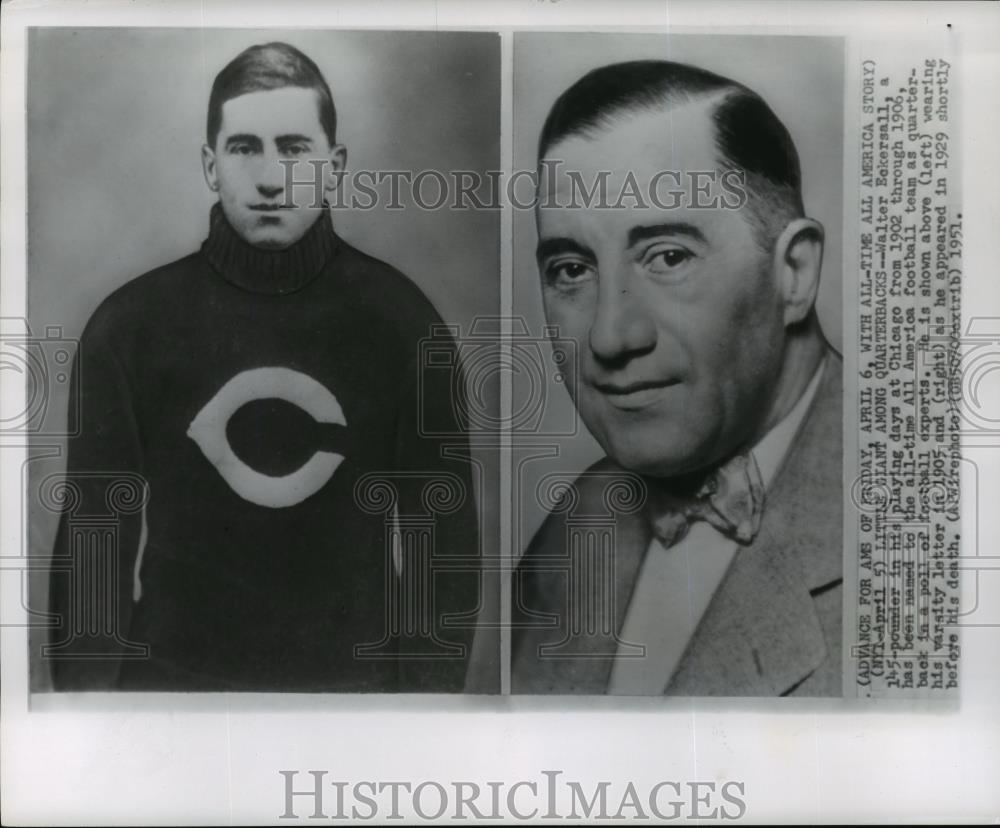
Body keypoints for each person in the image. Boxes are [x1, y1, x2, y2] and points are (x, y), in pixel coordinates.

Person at [47, 42, 479, 692]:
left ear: (333, 167)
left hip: (351, 713)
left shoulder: (403, 324)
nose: (272, 177)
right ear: (210, 165)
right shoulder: (129, 326)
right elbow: (92, 558)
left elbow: (442, 557)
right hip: (172, 709)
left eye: (295, 149)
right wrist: (92, 738)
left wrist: (419, 726)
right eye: (245, 148)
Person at [512, 60, 843, 696]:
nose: (611, 337)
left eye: (667, 256)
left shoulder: (929, 528)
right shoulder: (574, 526)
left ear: (794, 274)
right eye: (572, 270)